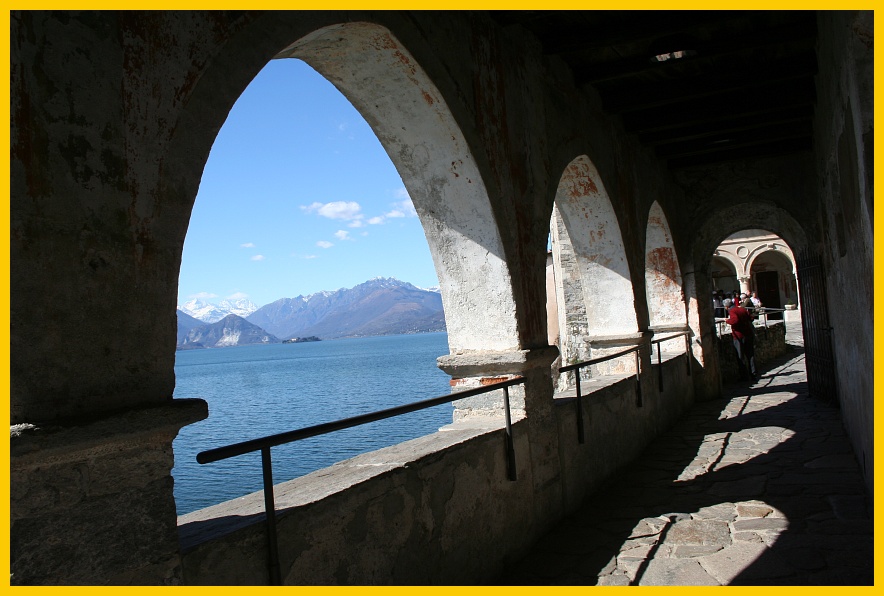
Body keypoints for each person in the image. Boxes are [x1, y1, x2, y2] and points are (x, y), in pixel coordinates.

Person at [724, 297, 758, 382]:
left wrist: (727, 321)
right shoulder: (742, 309)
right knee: (750, 355)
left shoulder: (732, 311)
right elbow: (751, 318)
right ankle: (753, 374)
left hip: (739, 336)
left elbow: (735, 320)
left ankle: (744, 376)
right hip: (748, 334)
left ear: (726, 307)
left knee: (740, 356)